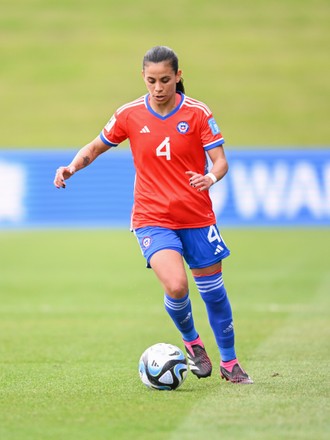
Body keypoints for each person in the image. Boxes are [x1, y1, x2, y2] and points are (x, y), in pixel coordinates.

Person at [53, 45, 253, 384]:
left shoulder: (198, 113)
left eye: (164, 79)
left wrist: (210, 177)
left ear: (178, 75)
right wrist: (72, 167)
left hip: (197, 217)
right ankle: (192, 342)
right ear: (143, 78)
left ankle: (230, 363)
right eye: (150, 81)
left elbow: (220, 160)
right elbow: (95, 146)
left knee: (214, 293)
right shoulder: (129, 114)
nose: (158, 88)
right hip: (152, 217)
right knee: (176, 286)